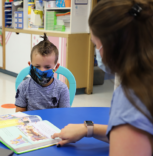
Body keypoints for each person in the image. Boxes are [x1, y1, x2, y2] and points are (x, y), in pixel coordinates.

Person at [52, 0, 153, 155]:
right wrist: (88, 129)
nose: (97, 53)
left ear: (111, 45)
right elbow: (136, 137)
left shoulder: (131, 96)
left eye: (95, 44)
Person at [15, 33, 70, 112]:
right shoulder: (23, 87)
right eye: (37, 67)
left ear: (56, 67)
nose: (42, 71)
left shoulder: (62, 89)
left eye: (47, 67)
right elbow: (20, 116)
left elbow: (64, 116)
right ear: (30, 65)